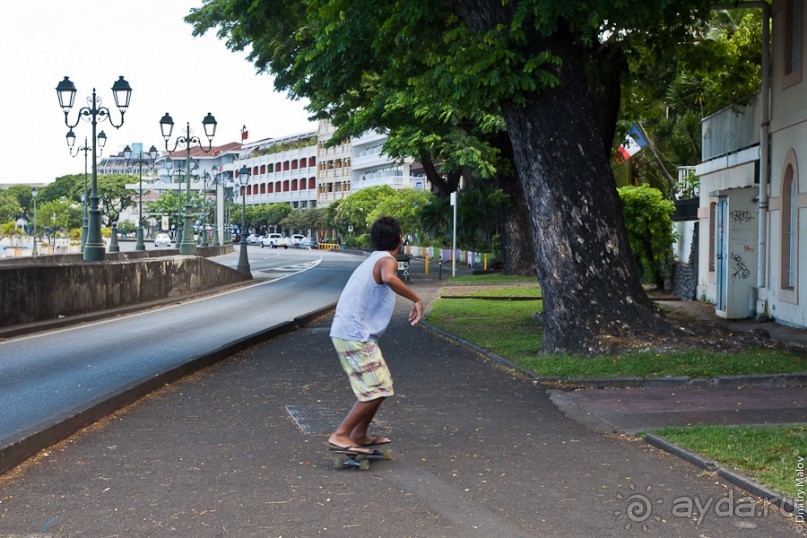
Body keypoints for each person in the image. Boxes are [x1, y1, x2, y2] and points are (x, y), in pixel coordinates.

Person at [328, 216, 422, 454]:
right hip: (354, 334)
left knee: (381, 387)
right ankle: (341, 435)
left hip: (353, 333)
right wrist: (416, 299)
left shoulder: (373, 259)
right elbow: (390, 277)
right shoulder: (386, 260)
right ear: (400, 240)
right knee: (377, 389)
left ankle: (359, 434)